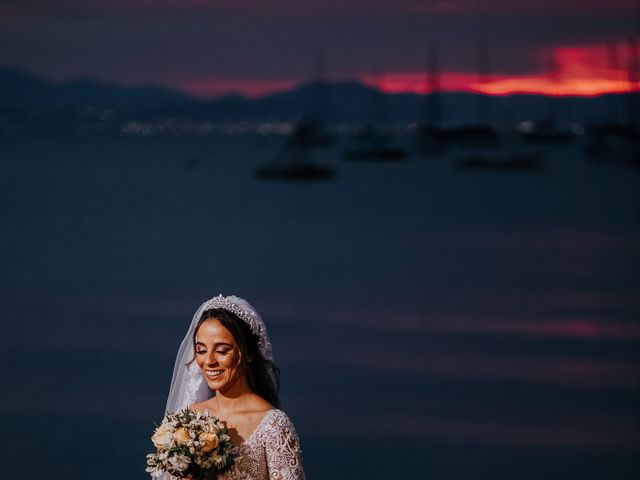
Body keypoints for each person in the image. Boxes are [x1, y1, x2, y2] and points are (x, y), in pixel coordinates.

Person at [160, 294, 305, 480]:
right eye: (201, 350)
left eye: (222, 351)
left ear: (248, 354)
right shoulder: (187, 419)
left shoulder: (273, 426)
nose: (209, 361)